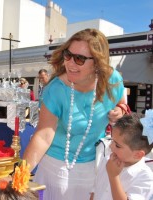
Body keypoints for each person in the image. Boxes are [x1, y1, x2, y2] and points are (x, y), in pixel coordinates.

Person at [23, 29, 126, 199]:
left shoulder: (112, 80)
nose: (70, 63)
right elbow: (44, 135)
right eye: (68, 55)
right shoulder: (55, 89)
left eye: (79, 59)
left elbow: (122, 102)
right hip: (56, 170)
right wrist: (21, 174)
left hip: (95, 168)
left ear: (98, 63)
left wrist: (121, 110)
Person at [91, 113, 153, 200]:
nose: (111, 146)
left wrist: (114, 176)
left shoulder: (145, 178)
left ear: (138, 154)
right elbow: (95, 190)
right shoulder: (107, 159)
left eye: (117, 145)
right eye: (112, 141)